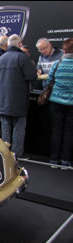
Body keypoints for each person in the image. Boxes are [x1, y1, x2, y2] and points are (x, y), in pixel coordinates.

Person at [0, 34, 37, 158]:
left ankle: (5, 155)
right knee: (19, 128)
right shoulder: (22, 57)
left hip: (3, 99)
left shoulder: (1, 58)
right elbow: (31, 76)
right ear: (20, 44)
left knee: (5, 128)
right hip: (19, 99)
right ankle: (17, 154)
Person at [47, 38, 73, 169]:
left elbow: (48, 81)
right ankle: (65, 161)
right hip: (71, 103)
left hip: (56, 101)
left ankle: (53, 159)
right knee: (69, 131)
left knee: (56, 130)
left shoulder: (58, 64)